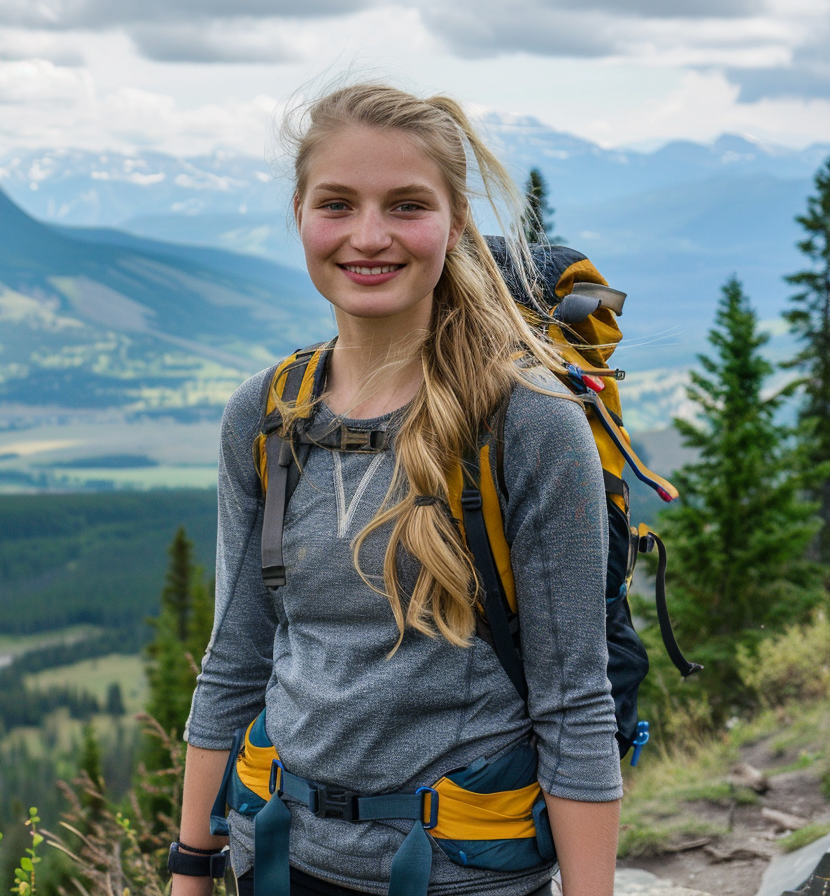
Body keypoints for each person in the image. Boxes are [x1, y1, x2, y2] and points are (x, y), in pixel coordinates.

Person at [172, 83, 622, 896]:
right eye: (337, 204)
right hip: (273, 855)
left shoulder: (526, 424)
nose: (368, 237)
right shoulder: (267, 415)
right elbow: (235, 660)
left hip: (458, 873)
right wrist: (191, 867)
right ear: (301, 214)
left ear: (454, 225)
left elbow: (573, 703)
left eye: (406, 206)